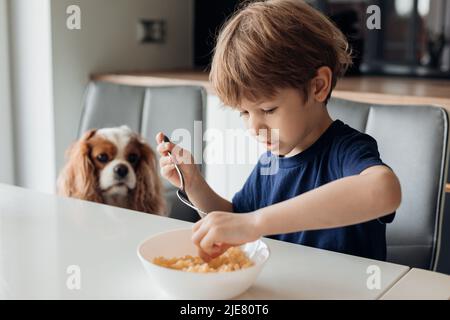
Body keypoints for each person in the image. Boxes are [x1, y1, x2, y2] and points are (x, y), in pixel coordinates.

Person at [156, 0, 401, 262]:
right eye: (244, 113)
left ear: (319, 86)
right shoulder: (268, 165)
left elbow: (384, 191)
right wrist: (194, 184)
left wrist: (255, 222)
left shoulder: (346, 149)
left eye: (269, 110)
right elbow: (236, 221)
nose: (254, 127)